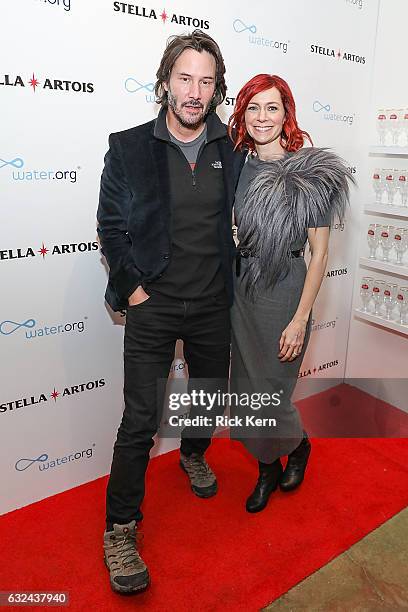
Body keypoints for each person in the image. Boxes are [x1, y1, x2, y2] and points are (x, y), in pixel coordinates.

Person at [97, 30, 245, 593]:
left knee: (208, 395)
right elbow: (111, 228)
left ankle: (194, 453)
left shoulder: (232, 150)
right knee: (139, 420)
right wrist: (133, 293)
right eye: (185, 78)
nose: (194, 91)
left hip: (211, 303)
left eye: (206, 81)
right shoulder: (129, 146)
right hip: (152, 306)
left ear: (216, 90)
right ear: (164, 84)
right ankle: (119, 528)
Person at [227, 74, 354, 513]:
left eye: (272, 107)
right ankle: (281, 453)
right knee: (246, 389)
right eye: (254, 107)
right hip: (241, 292)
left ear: (287, 115)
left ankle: (284, 457)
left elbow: (319, 255)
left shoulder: (310, 174)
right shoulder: (238, 163)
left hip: (284, 294)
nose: (262, 117)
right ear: (243, 113)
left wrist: (300, 319)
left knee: (272, 392)